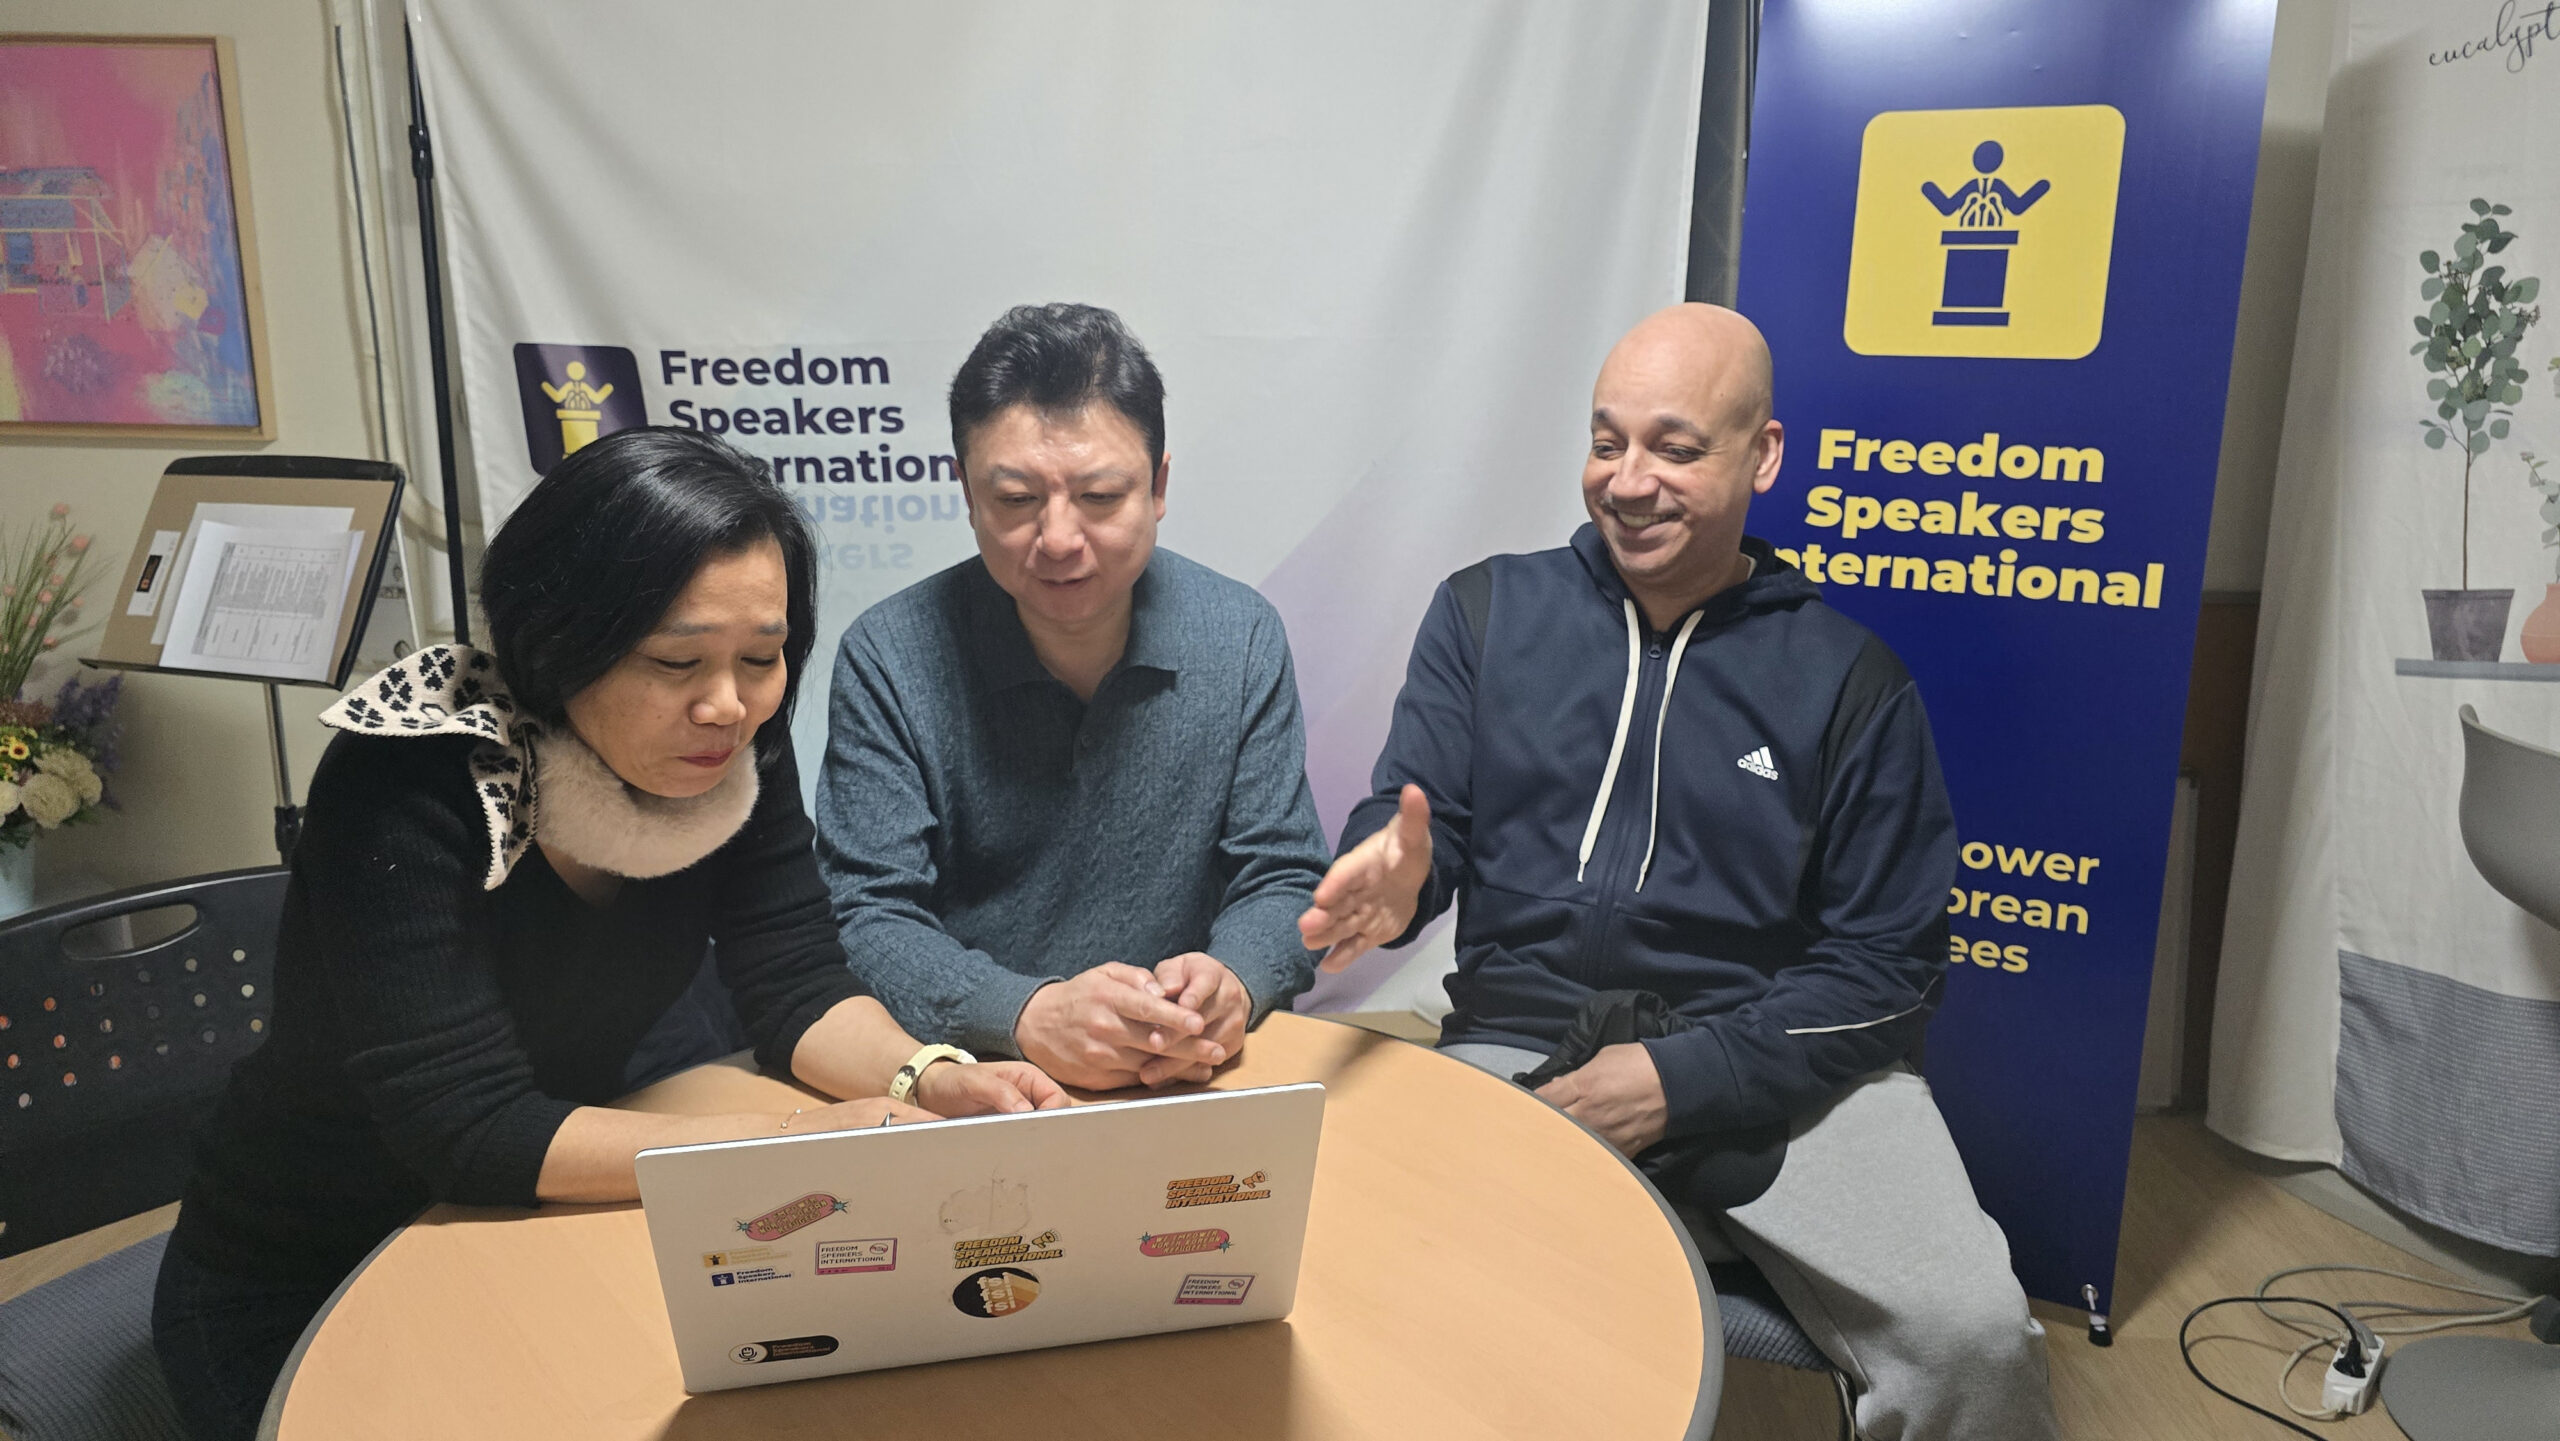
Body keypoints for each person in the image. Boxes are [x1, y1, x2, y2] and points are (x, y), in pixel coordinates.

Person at [152, 428, 1065, 1441]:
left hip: (534, 1219)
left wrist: (926, 1076)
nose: (726, 705)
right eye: (676, 660)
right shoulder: (408, 776)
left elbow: (796, 982)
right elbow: (469, 1128)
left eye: (762, 657)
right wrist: (791, 1146)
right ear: (560, 644)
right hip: (310, 1270)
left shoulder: (730, 751)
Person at [1301, 304, 2061, 1441]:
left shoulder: (1849, 681)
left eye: (1675, 447)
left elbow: (1888, 967)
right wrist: (1398, 873)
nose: (1627, 481)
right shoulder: (1484, 613)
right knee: (1385, 1277)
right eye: (1606, 442)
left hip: (1785, 1061)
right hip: (1524, 1039)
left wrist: (1685, 1076)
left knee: (1975, 1338)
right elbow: (1420, 826)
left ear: (1763, 454)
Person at [818, 303, 1328, 1090]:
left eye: (1099, 496)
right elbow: (866, 914)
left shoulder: (1241, 635)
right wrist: (1023, 1013)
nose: (1058, 538)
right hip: (973, 1078)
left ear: (1158, 486)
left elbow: (1284, 876)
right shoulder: (890, 655)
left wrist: (1234, 980)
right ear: (966, 492)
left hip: (1185, 1070)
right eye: (1017, 499)